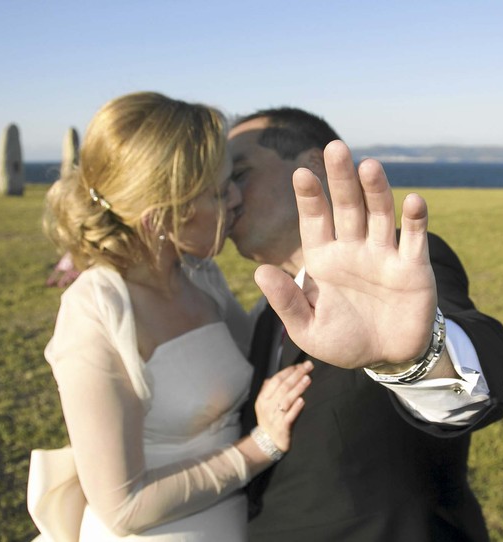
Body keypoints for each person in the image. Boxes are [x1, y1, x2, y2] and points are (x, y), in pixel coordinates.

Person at [227, 108, 503, 541]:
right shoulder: (271, 308)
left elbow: (482, 358)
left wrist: (417, 359)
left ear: (313, 165)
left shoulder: (400, 267)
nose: (228, 196)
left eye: (239, 174)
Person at [36, 92, 314, 541]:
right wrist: (259, 447)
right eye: (219, 192)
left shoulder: (201, 276)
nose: (237, 199)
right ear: (161, 217)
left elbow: (257, 354)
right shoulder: (97, 311)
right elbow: (123, 507)